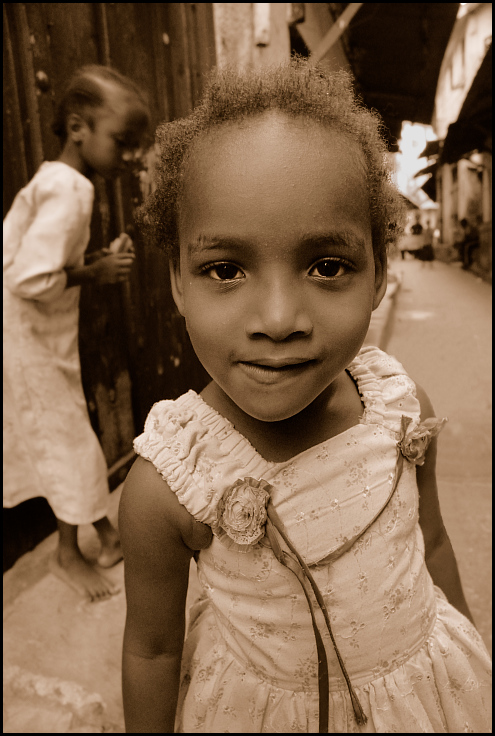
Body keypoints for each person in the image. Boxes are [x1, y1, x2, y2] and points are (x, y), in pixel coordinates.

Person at [119, 60, 491, 732]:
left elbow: (432, 547)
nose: (279, 317)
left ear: (378, 271)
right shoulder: (169, 485)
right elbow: (152, 650)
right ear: (177, 279)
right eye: (224, 269)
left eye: (327, 266)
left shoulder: (401, 412)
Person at [3, 65, 150, 602]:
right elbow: (26, 278)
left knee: (61, 433)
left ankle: (105, 536)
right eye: (122, 141)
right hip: (25, 339)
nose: (130, 155)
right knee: (64, 438)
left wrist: (91, 261)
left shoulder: (57, 181)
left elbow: (35, 263)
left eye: (136, 145)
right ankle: (70, 552)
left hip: (34, 334)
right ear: (77, 127)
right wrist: (94, 273)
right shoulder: (71, 190)